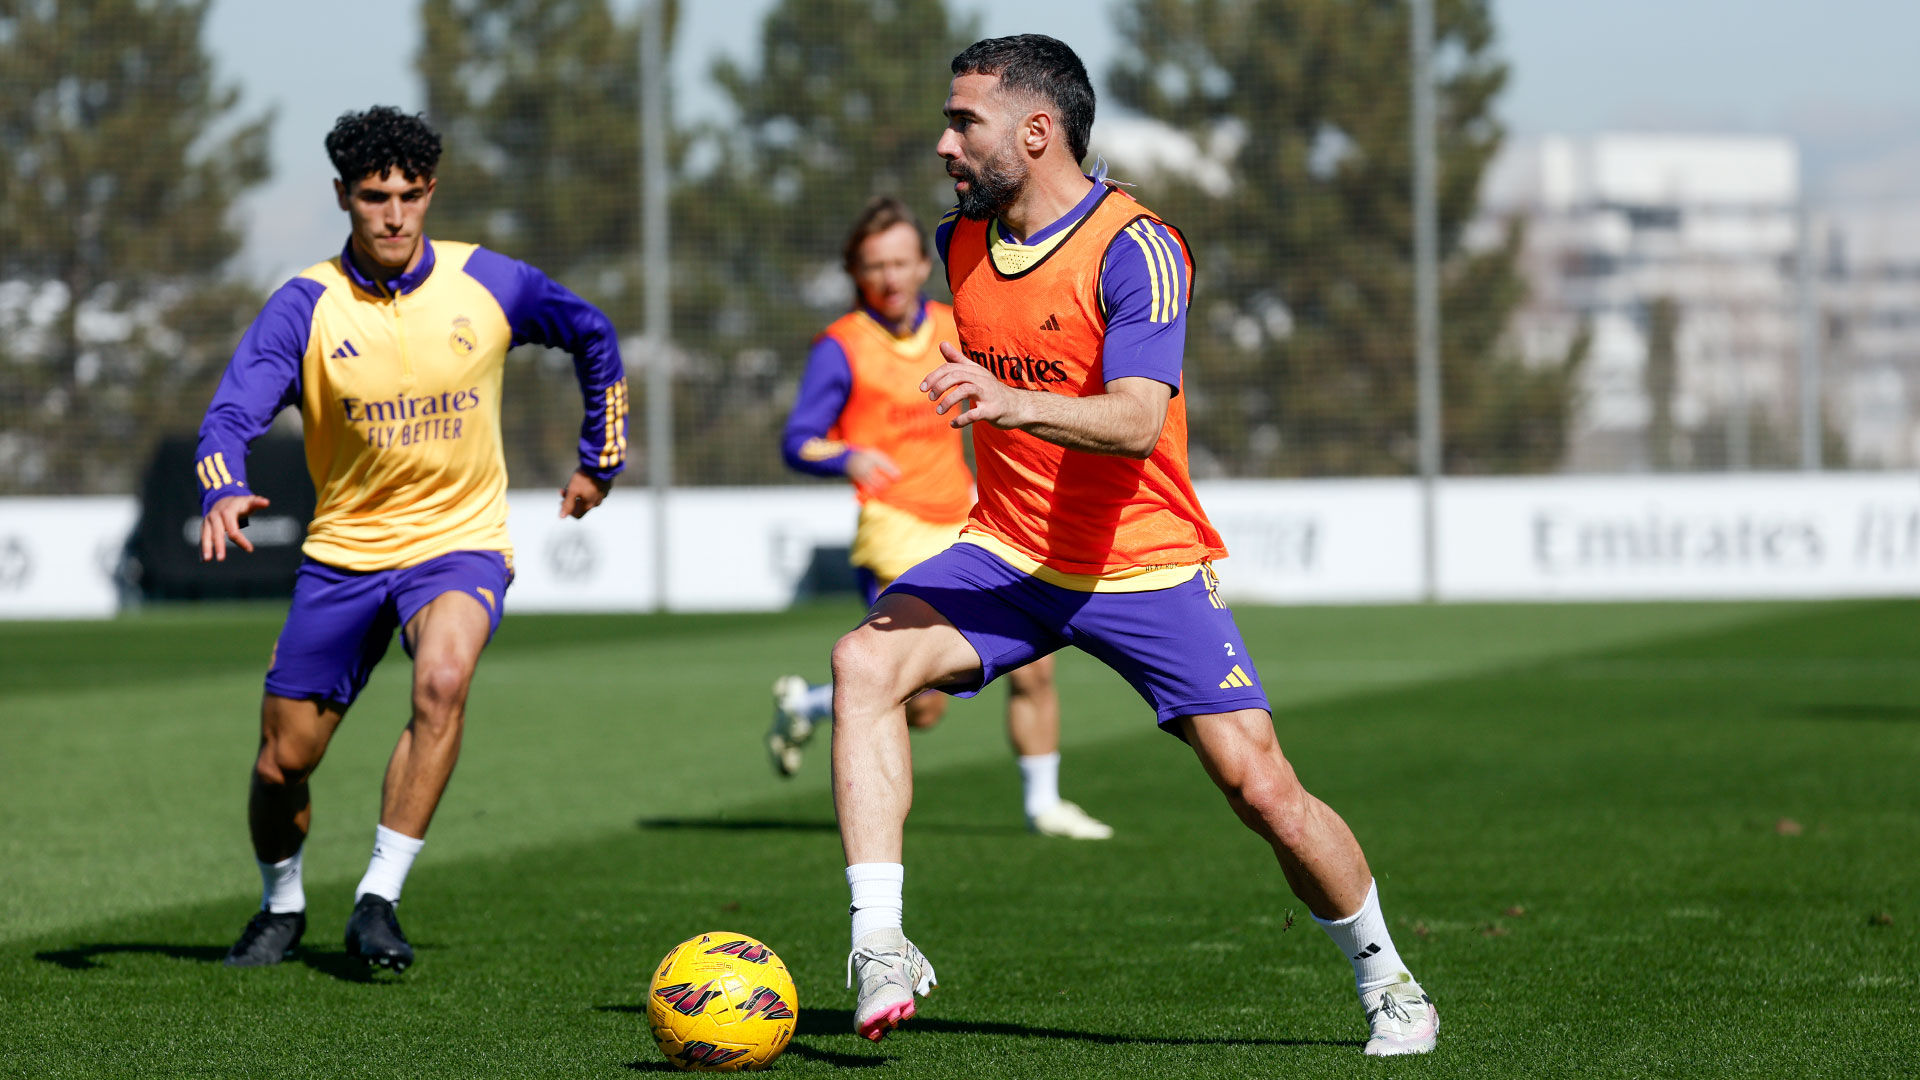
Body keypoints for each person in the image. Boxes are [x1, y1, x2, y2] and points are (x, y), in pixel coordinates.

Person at [830, 36, 1438, 1056]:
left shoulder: (1140, 247)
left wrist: (1004, 397)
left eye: (962, 122)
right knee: (863, 663)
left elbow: (1136, 421)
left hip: (1142, 564)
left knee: (1264, 791)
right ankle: (880, 945)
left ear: (1037, 131)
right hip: (1011, 555)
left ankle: (1391, 983)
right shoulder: (959, 244)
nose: (942, 142)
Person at [197, 107, 627, 972]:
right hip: (345, 555)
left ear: (430, 192)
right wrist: (226, 485)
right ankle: (281, 905)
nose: (394, 215)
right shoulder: (305, 306)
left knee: (442, 681)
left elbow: (592, 333)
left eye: (411, 195)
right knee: (285, 763)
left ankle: (378, 901)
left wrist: (600, 460)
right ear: (343, 198)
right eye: (373, 197)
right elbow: (231, 411)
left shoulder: (487, 282)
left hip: (459, 543)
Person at [769, 196, 1112, 841]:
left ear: (922, 264)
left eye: (902, 262)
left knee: (1037, 662)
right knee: (919, 702)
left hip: (968, 521)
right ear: (856, 272)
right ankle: (814, 705)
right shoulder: (842, 347)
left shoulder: (955, 326)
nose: (891, 278)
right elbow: (799, 440)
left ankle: (1044, 805)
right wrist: (847, 455)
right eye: (876, 267)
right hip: (893, 527)